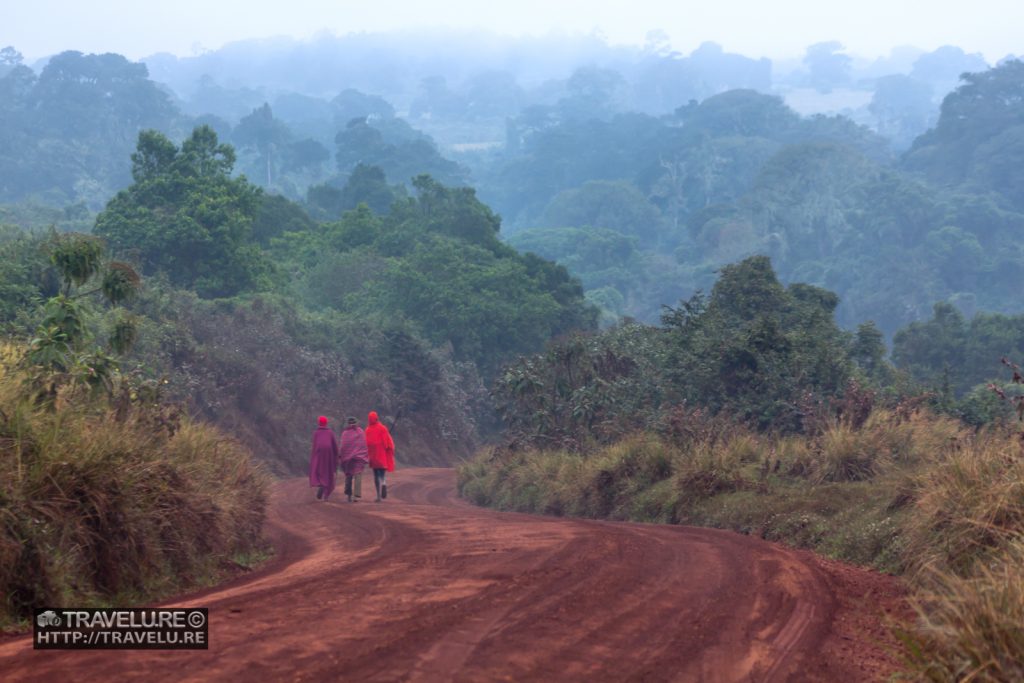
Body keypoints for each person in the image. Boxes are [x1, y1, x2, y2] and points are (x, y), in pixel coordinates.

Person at [364, 411, 395, 502]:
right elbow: (387, 444)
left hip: (373, 456)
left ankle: (378, 496)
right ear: (377, 418)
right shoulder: (383, 428)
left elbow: (367, 443)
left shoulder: (367, 430)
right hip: (382, 456)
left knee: (375, 475)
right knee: (382, 473)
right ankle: (384, 482)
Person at [339, 416, 369, 503]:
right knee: (358, 475)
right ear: (356, 422)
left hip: (348, 458)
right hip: (359, 457)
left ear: (348, 423)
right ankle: (356, 495)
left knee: (349, 475)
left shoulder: (345, 433)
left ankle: (348, 495)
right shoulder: (361, 432)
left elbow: (343, 446)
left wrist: (341, 456)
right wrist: (364, 454)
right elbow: (363, 445)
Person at [309, 415, 339, 501]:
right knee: (328, 472)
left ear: (319, 422)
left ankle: (321, 484)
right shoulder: (330, 432)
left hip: (318, 455)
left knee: (319, 470)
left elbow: (314, 446)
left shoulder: (316, 433)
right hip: (328, 456)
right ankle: (326, 494)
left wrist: (313, 458)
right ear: (326, 423)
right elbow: (335, 446)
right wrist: (337, 457)